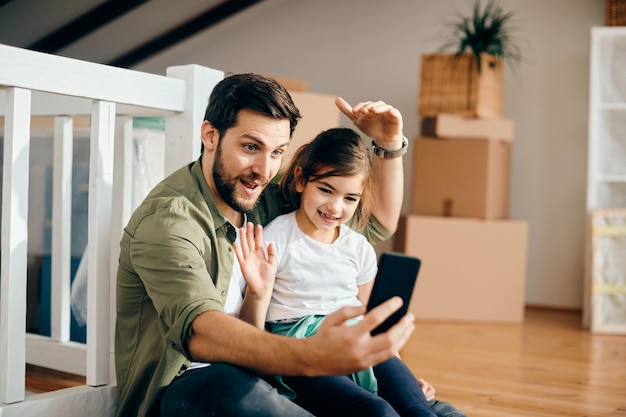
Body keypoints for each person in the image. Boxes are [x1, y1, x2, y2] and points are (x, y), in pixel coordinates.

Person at [115, 72, 413, 417]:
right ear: (210, 135)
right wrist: (312, 355)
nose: (264, 169)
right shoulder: (169, 221)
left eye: (277, 152)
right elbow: (201, 333)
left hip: (264, 374)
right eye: (250, 147)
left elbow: (374, 223)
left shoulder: (258, 198)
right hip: (188, 388)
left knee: (428, 410)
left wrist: (390, 143)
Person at [234, 128, 467, 417]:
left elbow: (373, 323)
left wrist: (401, 376)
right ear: (300, 180)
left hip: (356, 339)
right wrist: (257, 291)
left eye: (350, 199)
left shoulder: (358, 247)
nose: (335, 207)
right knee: (378, 410)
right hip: (301, 348)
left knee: (418, 408)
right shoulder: (275, 239)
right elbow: (251, 336)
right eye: (326, 190)